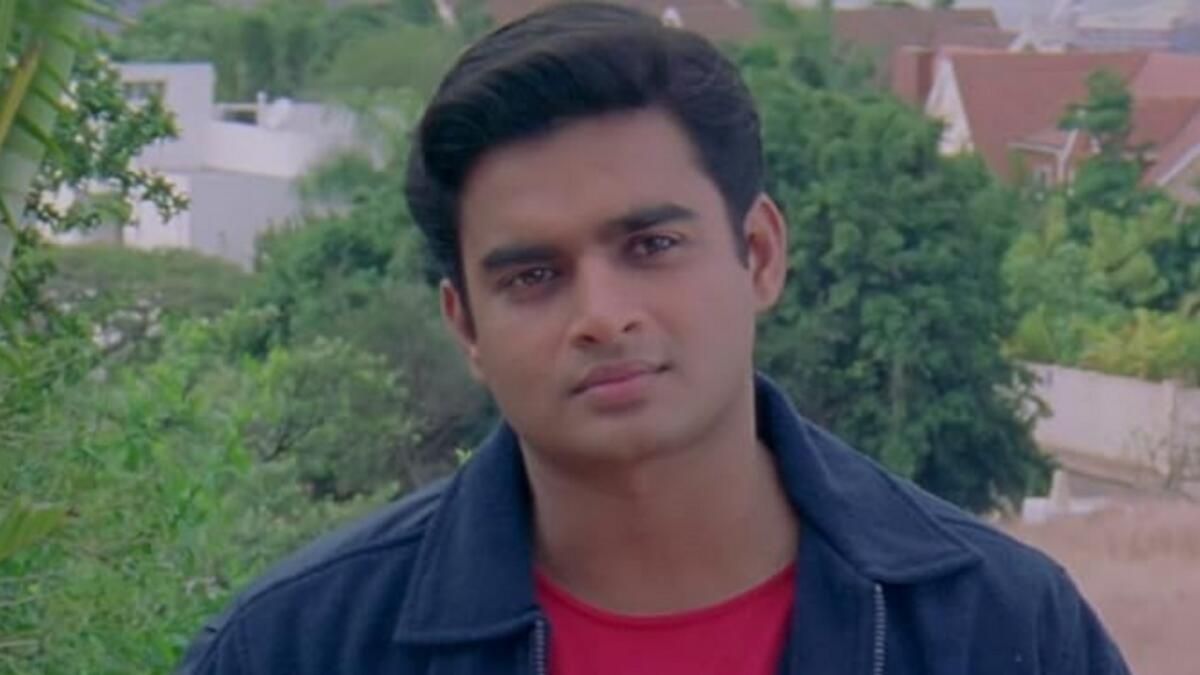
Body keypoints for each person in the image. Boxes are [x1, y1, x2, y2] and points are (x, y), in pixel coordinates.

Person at [177, 3, 1130, 674]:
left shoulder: (996, 628)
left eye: (652, 245)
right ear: (464, 324)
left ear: (760, 254)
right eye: (533, 276)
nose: (602, 313)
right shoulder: (298, 648)